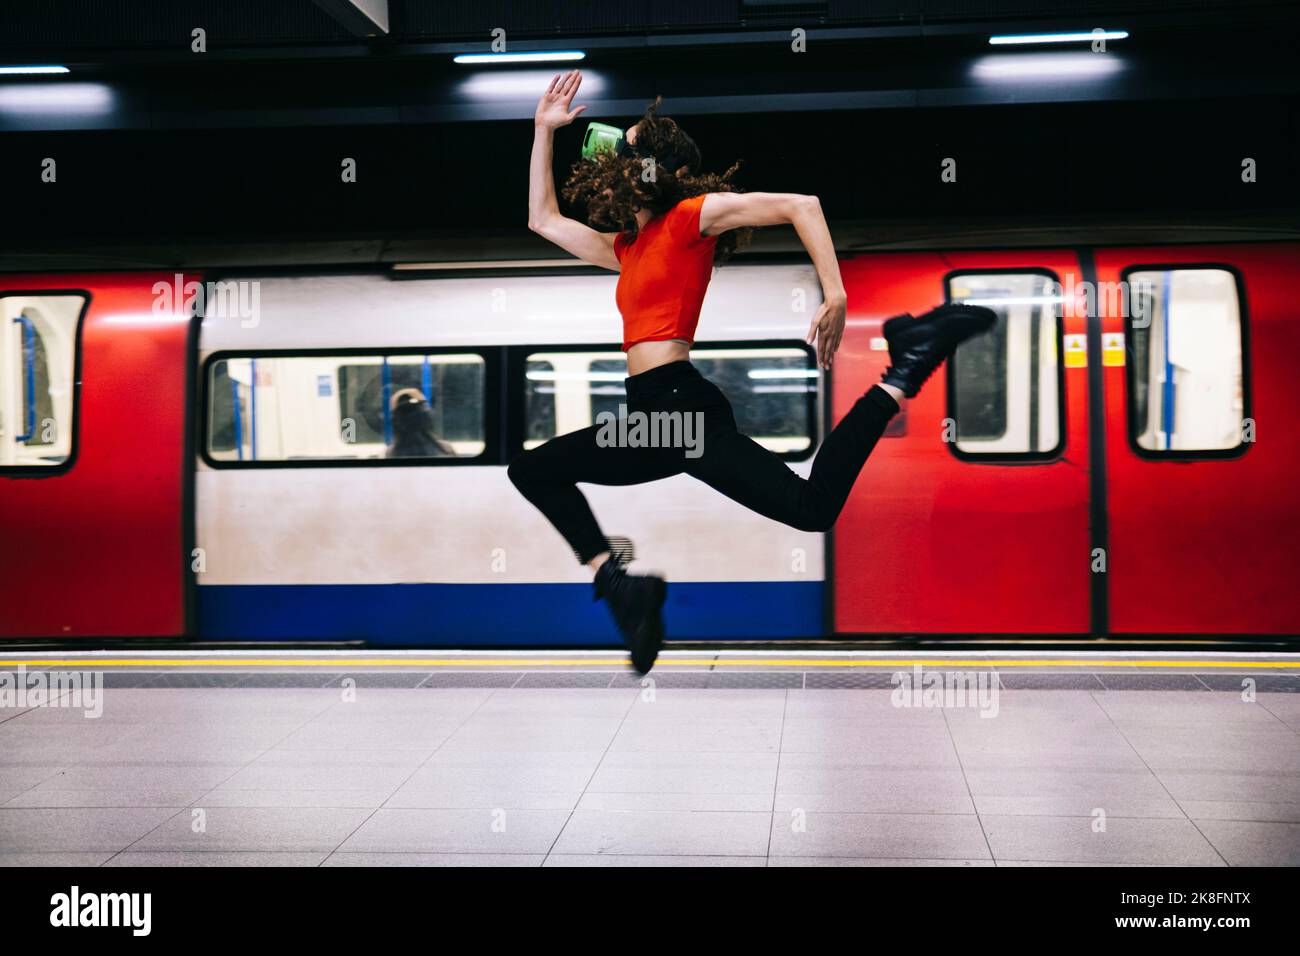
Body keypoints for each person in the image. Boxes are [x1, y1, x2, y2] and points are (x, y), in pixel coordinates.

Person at [510, 71, 995, 674]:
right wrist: (543, 132)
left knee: (810, 508)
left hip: (677, 411)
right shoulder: (628, 247)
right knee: (534, 470)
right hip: (655, 422)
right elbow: (542, 220)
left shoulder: (692, 217)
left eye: (634, 148)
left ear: (662, 169)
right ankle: (622, 587)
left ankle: (906, 364)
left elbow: (801, 204)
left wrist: (835, 294)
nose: (619, 153)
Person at [386, 387, 456, 458]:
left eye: (415, 412)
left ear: (395, 422)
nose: (412, 417)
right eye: (406, 412)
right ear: (427, 417)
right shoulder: (447, 449)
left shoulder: (387, 454)